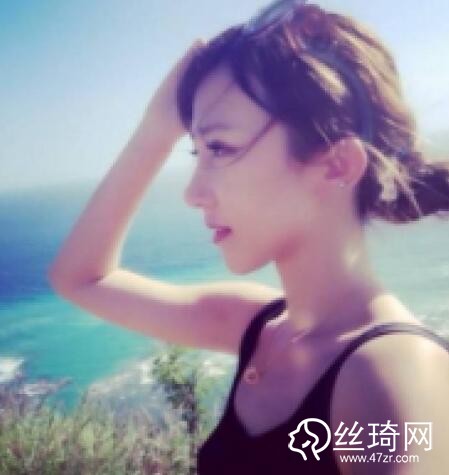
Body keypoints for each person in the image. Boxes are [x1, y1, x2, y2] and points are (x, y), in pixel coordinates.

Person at [48, 1, 449, 473]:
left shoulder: (390, 374)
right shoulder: (259, 328)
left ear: (336, 165)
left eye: (220, 148)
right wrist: (156, 129)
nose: (193, 194)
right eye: (197, 152)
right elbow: (80, 278)